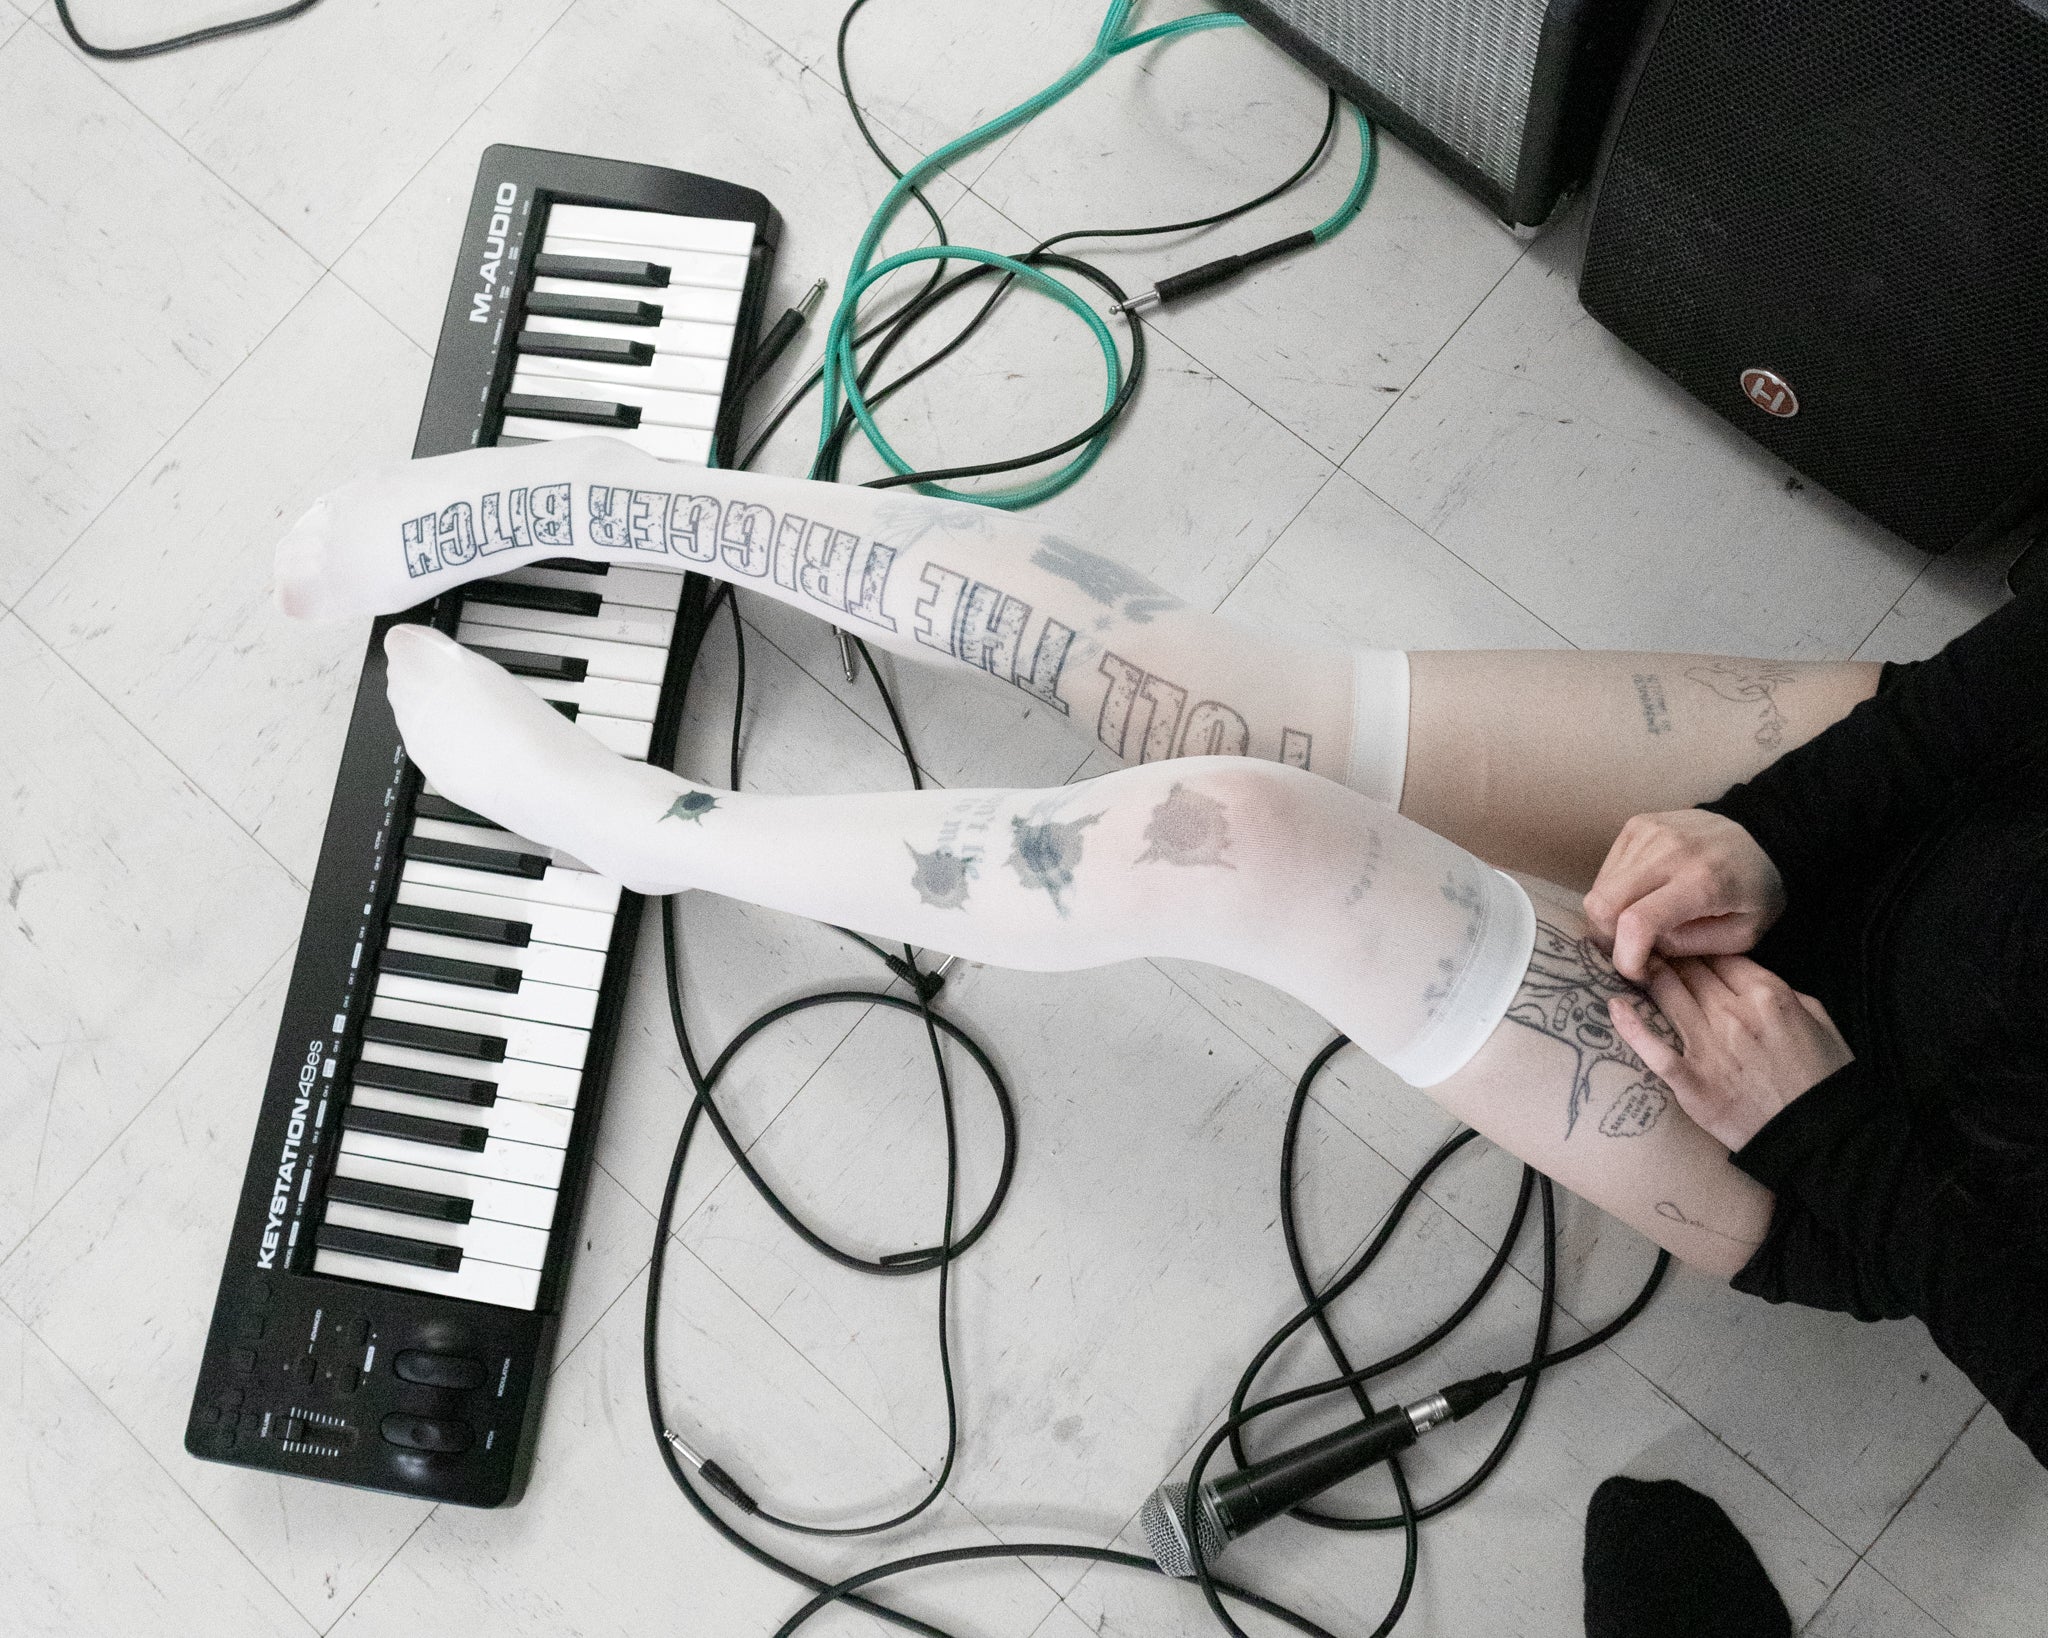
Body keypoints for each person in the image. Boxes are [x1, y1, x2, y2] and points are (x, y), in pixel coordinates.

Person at [276, 436, 2044, 1463]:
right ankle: (600, 496)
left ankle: (650, 832)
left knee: (1249, 847)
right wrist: (1776, 825)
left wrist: (1822, 1136)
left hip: (1891, 1159)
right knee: (1228, 696)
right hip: (1924, 816)